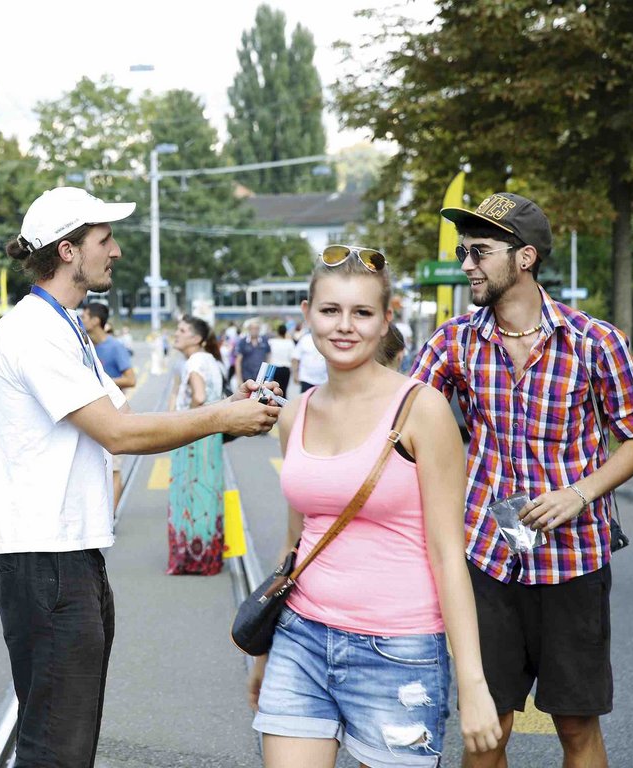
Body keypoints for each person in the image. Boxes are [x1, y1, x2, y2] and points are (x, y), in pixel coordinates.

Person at [0, 186, 280, 767]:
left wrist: (231, 415)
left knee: (68, 735)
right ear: (68, 251)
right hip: (46, 559)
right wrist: (222, 415)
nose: (115, 251)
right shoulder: (36, 332)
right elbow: (119, 435)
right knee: (54, 745)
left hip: (67, 553)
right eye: (104, 239)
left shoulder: (61, 325)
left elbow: (129, 421)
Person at [410, 192, 633, 768]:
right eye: (462, 250)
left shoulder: (596, 343)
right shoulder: (454, 341)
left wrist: (579, 494)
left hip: (574, 561)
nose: (466, 263)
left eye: (479, 251)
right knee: (486, 727)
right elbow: (398, 413)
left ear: (524, 257)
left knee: (575, 726)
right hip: (488, 559)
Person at [248, 246, 501, 766]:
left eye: (362, 313)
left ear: (386, 320)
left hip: (399, 652)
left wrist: (472, 683)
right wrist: (265, 649)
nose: (345, 326)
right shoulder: (294, 415)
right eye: (330, 310)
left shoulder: (421, 409)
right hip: (300, 640)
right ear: (307, 314)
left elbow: (449, 555)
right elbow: (295, 542)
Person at [167, 315, 227, 575]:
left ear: (196, 338)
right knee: (207, 494)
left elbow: (199, 397)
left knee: (188, 495)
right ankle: (208, 556)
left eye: (181, 330)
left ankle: (189, 557)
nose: (176, 334)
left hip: (192, 438)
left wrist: (184, 421)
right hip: (211, 437)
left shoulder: (193, 362)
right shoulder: (211, 360)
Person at [82, 301, 136, 511]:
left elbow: (131, 379)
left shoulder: (115, 346)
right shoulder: (86, 345)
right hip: (91, 414)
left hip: (113, 412)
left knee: (113, 470)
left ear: (96, 321)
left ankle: (110, 517)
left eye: (85, 316)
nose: (81, 319)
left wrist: (103, 380)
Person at [291, 325, 327, 393]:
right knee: (305, 402)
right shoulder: (305, 339)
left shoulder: (328, 339)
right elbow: (295, 358)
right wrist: (295, 374)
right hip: (306, 379)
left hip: (323, 381)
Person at [235, 318, 270, 385]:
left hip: (261, 377)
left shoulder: (264, 341)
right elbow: (238, 361)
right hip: (247, 377)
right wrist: (239, 379)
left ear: (259, 329)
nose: (254, 330)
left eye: (256, 328)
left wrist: (267, 375)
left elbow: (268, 357)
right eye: (252, 328)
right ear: (249, 329)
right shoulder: (243, 342)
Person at [267, 323, 295, 395]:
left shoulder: (271, 342)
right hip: (285, 369)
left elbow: (268, 356)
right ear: (285, 332)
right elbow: (292, 358)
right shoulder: (290, 342)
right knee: (283, 391)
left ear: (277, 332)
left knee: (273, 390)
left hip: (274, 368)